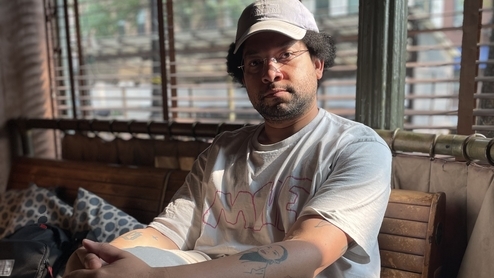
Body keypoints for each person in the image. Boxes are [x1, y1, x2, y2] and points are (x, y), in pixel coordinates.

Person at [63, 0, 392, 277]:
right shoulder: (222, 150)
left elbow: (310, 253)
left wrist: (155, 276)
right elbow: (165, 233)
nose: (270, 72)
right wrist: (101, 255)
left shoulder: (357, 148)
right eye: (255, 62)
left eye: (286, 55)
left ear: (318, 64)